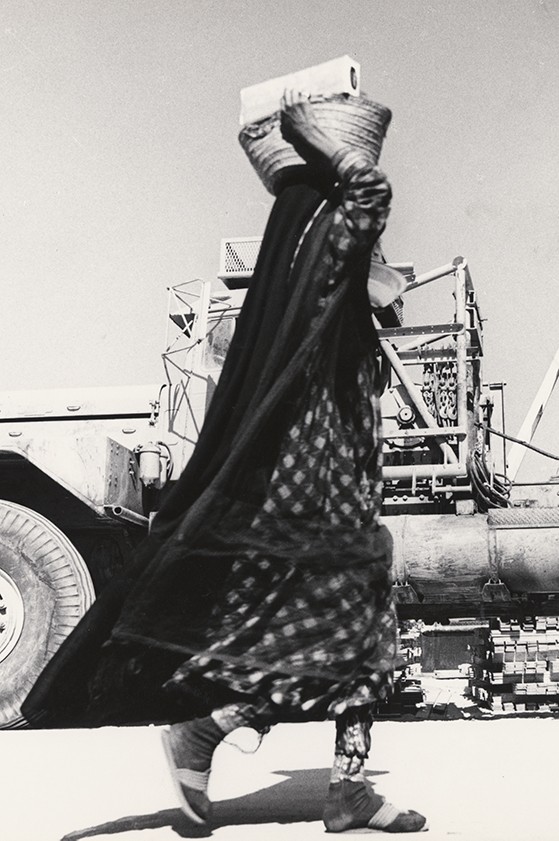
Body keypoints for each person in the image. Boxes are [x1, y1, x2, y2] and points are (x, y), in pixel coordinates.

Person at [23, 90, 427, 834]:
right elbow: (368, 197)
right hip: (321, 499)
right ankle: (217, 733)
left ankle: (342, 786)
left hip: (334, 497)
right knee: (349, 636)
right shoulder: (324, 276)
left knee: (361, 636)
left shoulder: (311, 295)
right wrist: (331, 146)